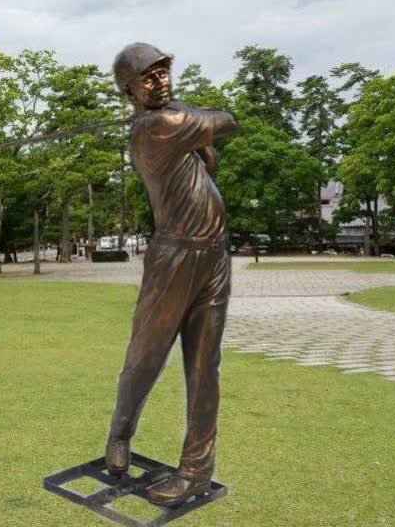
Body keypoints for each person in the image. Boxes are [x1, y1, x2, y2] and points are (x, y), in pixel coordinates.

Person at [105, 42, 236, 507]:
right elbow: (226, 121)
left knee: (205, 367)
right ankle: (120, 434)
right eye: (149, 77)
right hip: (173, 258)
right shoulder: (157, 127)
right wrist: (190, 119)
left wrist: (192, 125)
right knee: (146, 355)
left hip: (214, 256)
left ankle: (196, 471)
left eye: (163, 71)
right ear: (131, 92)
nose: (160, 80)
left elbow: (210, 157)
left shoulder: (173, 121)